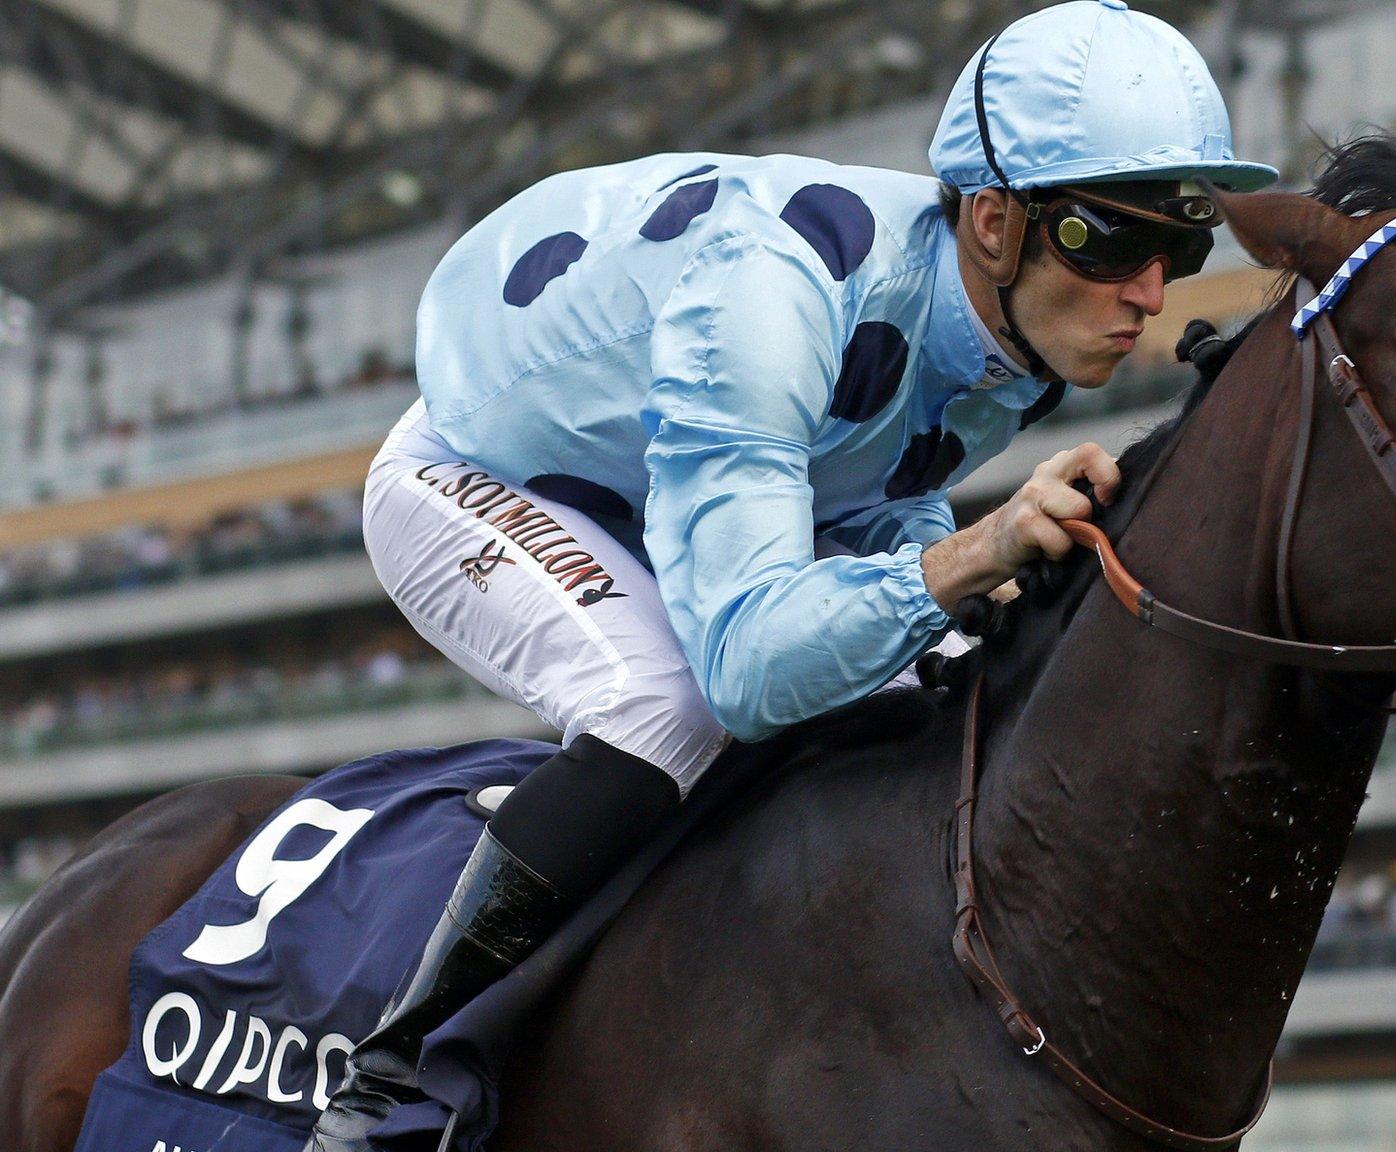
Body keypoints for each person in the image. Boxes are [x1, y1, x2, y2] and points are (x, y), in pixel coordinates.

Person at [306, 2, 1277, 1146]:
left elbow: (874, 489)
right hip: (486, 476)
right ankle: (390, 1081)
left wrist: (965, 592)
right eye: (1108, 245)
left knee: (939, 683)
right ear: (994, 222)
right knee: (659, 706)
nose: (1151, 294)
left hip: (691, 486)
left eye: (1183, 246)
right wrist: (977, 550)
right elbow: (746, 672)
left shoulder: (1016, 333)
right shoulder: (769, 294)